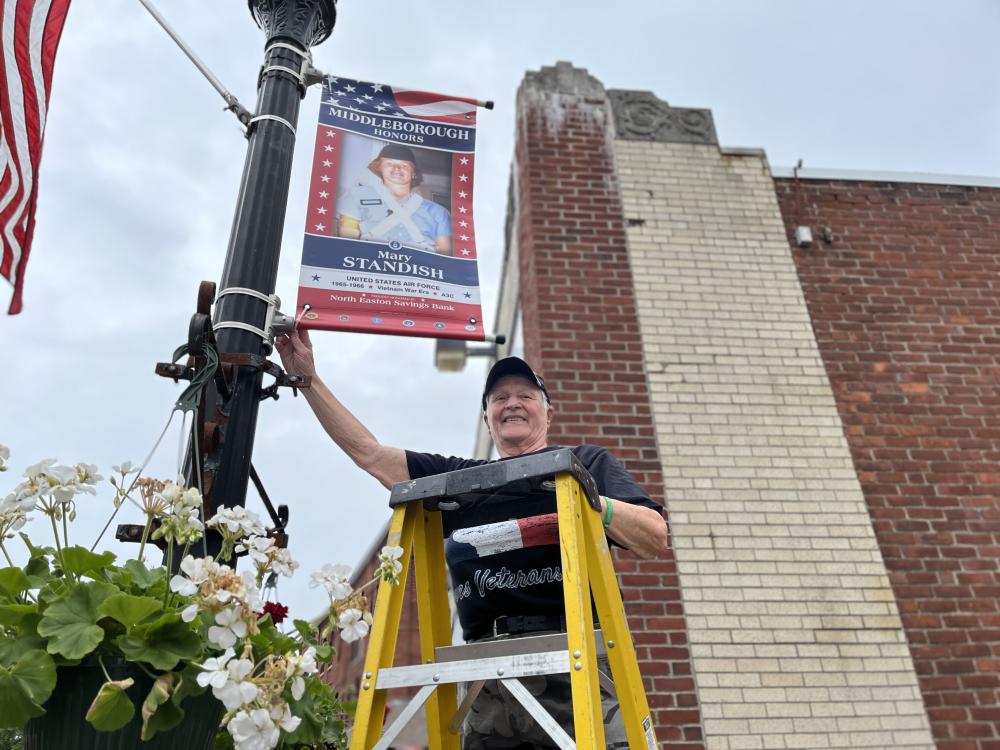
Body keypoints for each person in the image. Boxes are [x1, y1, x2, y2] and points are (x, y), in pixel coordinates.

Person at [275, 329, 668, 748]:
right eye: (499, 398)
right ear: (487, 418)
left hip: (579, 663)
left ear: (547, 414)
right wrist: (307, 378)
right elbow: (369, 454)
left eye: (525, 395)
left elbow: (653, 535)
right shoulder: (461, 481)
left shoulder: (584, 463)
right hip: (488, 674)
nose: (512, 403)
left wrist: (590, 498)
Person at [337, 143, 453, 254]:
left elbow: (444, 254)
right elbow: (348, 237)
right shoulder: (357, 195)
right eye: (389, 163)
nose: (397, 168)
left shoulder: (438, 212)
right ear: (379, 168)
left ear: (414, 173)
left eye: (404, 165)